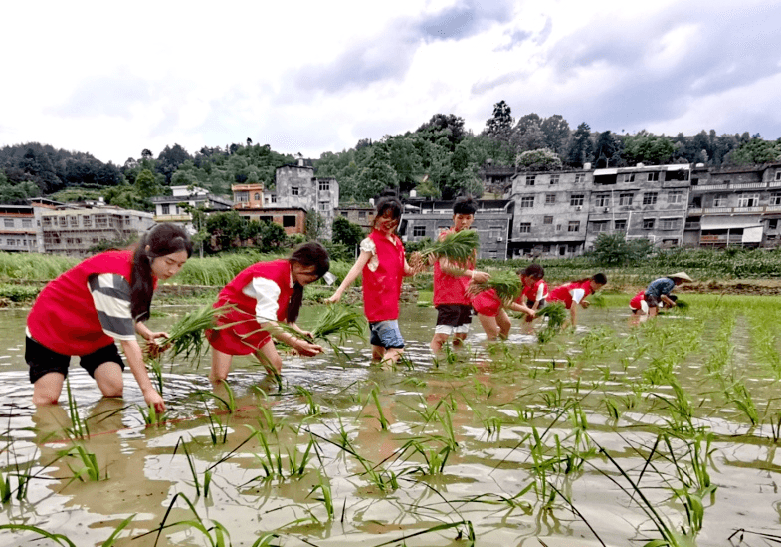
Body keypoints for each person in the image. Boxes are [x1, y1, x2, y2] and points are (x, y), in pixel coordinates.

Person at [26, 224, 193, 412]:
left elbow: (125, 310)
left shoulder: (147, 273)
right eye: (169, 262)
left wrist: (145, 332)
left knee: (113, 388)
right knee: (47, 400)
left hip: (93, 329)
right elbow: (128, 343)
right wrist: (148, 391)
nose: (173, 271)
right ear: (149, 251)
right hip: (53, 325)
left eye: (180, 265)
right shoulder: (112, 278)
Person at [208, 242, 330, 383]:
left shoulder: (289, 278)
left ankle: (267, 401)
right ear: (298, 265)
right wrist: (295, 343)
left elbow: (277, 315)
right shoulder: (270, 278)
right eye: (313, 274)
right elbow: (266, 321)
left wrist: (298, 332)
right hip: (227, 321)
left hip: (253, 322)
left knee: (275, 367)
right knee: (220, 378)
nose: (314, 279)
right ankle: (218, 404)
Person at [325, 197, 418, 365]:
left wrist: (425, 263)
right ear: (377, 217)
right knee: (396, 350)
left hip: (386, 309)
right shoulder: (371, 243)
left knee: (378, 356)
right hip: (382, 309)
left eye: (394, 218)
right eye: (385, 217)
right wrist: (338, 292)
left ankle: (374, 383)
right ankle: (386, 389)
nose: (389, 222)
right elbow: (356, 268)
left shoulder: (397, 243)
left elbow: (407, 271)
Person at [430, 197, 489, 353]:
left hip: (466, 295)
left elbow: (471, 269)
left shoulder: (471, 243)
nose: (464, 222)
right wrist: (474, 274)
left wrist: (476, 284)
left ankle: (455, 368)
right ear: (453, 217)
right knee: (441, 337)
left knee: (461, 336)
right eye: (460, 217)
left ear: (473, 219)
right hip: (448, 294)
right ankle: (433, 370)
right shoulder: (446, 237)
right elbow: (445, 266)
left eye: (468, 218)